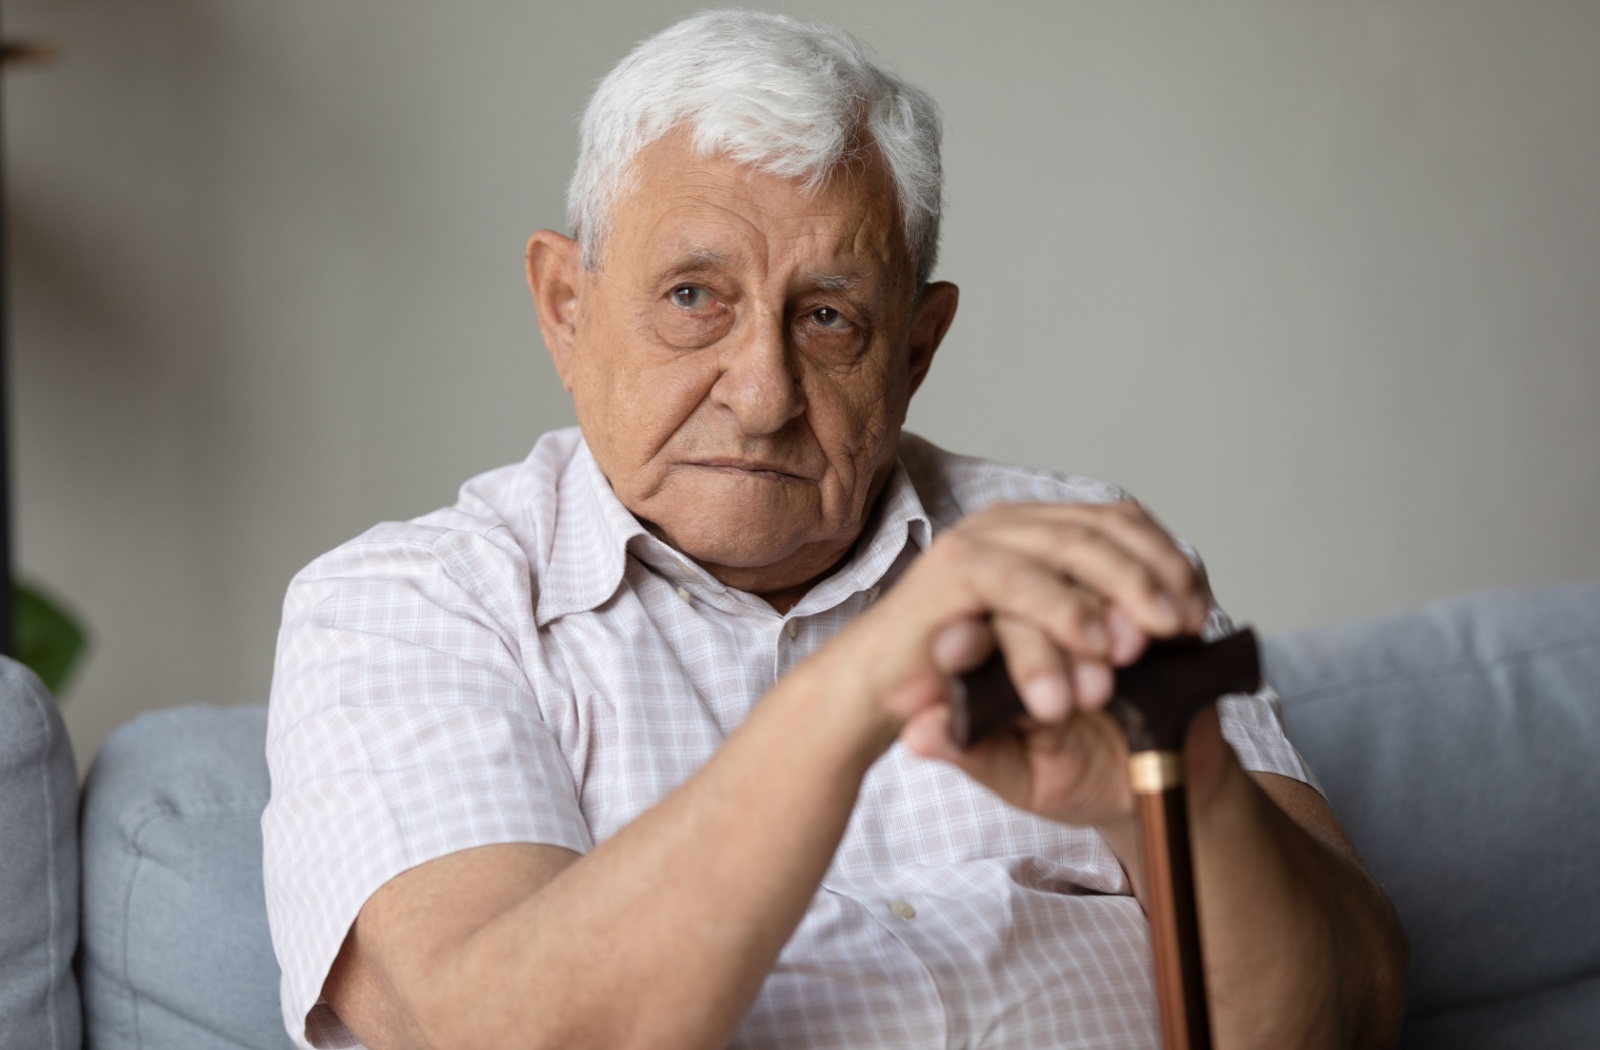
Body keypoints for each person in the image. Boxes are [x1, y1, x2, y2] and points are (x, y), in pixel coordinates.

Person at [264, 10, 1407, 1050]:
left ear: (914, 349)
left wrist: (1180, 791)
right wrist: (847, 700)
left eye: (826, 317)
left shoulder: (1077, 554)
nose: (760, 391)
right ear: (567, 309)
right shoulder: (408, 608)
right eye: (693, 298)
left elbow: (1348, 1019)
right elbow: (494, 1031)